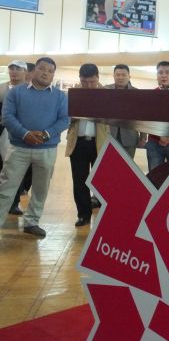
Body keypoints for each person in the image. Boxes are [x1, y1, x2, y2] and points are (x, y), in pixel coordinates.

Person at [0, 57, 69, 238]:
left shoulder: (60, 96)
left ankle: (32, 222)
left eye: (50, 71)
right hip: (18, 148)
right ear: (33, 71)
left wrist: (46, 134)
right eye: (42, 69)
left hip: (47, 149)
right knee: (7, 186)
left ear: (53, 75)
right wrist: (25, 134)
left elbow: (64, 119)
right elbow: (7, 116)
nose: (45, 73)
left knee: (41, 188)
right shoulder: (16, 92)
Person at [65, 64, 109, 227]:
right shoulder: (73, 94)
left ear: (98, 77)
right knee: (79, 181)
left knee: (102, 181)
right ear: (80, 79)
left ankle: (106, 215)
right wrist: (73, 114)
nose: (88, 85)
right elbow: (64, 116)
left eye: (92, 81)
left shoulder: (106, 95)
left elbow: (114, 116)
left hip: (99, 143)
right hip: (78, 143)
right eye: (84, 82)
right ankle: (83, 215)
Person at [0, 60, 28, 215]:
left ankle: (14, 202)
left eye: (18, 69)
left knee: (17, 168)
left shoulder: (29, 90)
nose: (14, 72)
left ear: (25, 72)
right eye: (11, 69)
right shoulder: (1, 89)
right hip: (1, 131)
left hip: (20, 134)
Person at [145, 61, 169, 171]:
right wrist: (160, 136)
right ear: (157, 75)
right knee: (155, 175)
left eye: (167, 72)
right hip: (154, 143)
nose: (163, 75)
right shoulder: (151, 95)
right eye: (160, 72)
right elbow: (148, 118)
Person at [104, 64, 143, 158]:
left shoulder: (137, 93)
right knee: (109, 163)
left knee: (127, 164)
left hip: (130, 137)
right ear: (113, 76)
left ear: (129, 76)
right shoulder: (105, 90)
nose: (120, 77)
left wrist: (143, 136)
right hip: (108, 135)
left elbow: (142, 116)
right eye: (117, 75)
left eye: (123, 75)